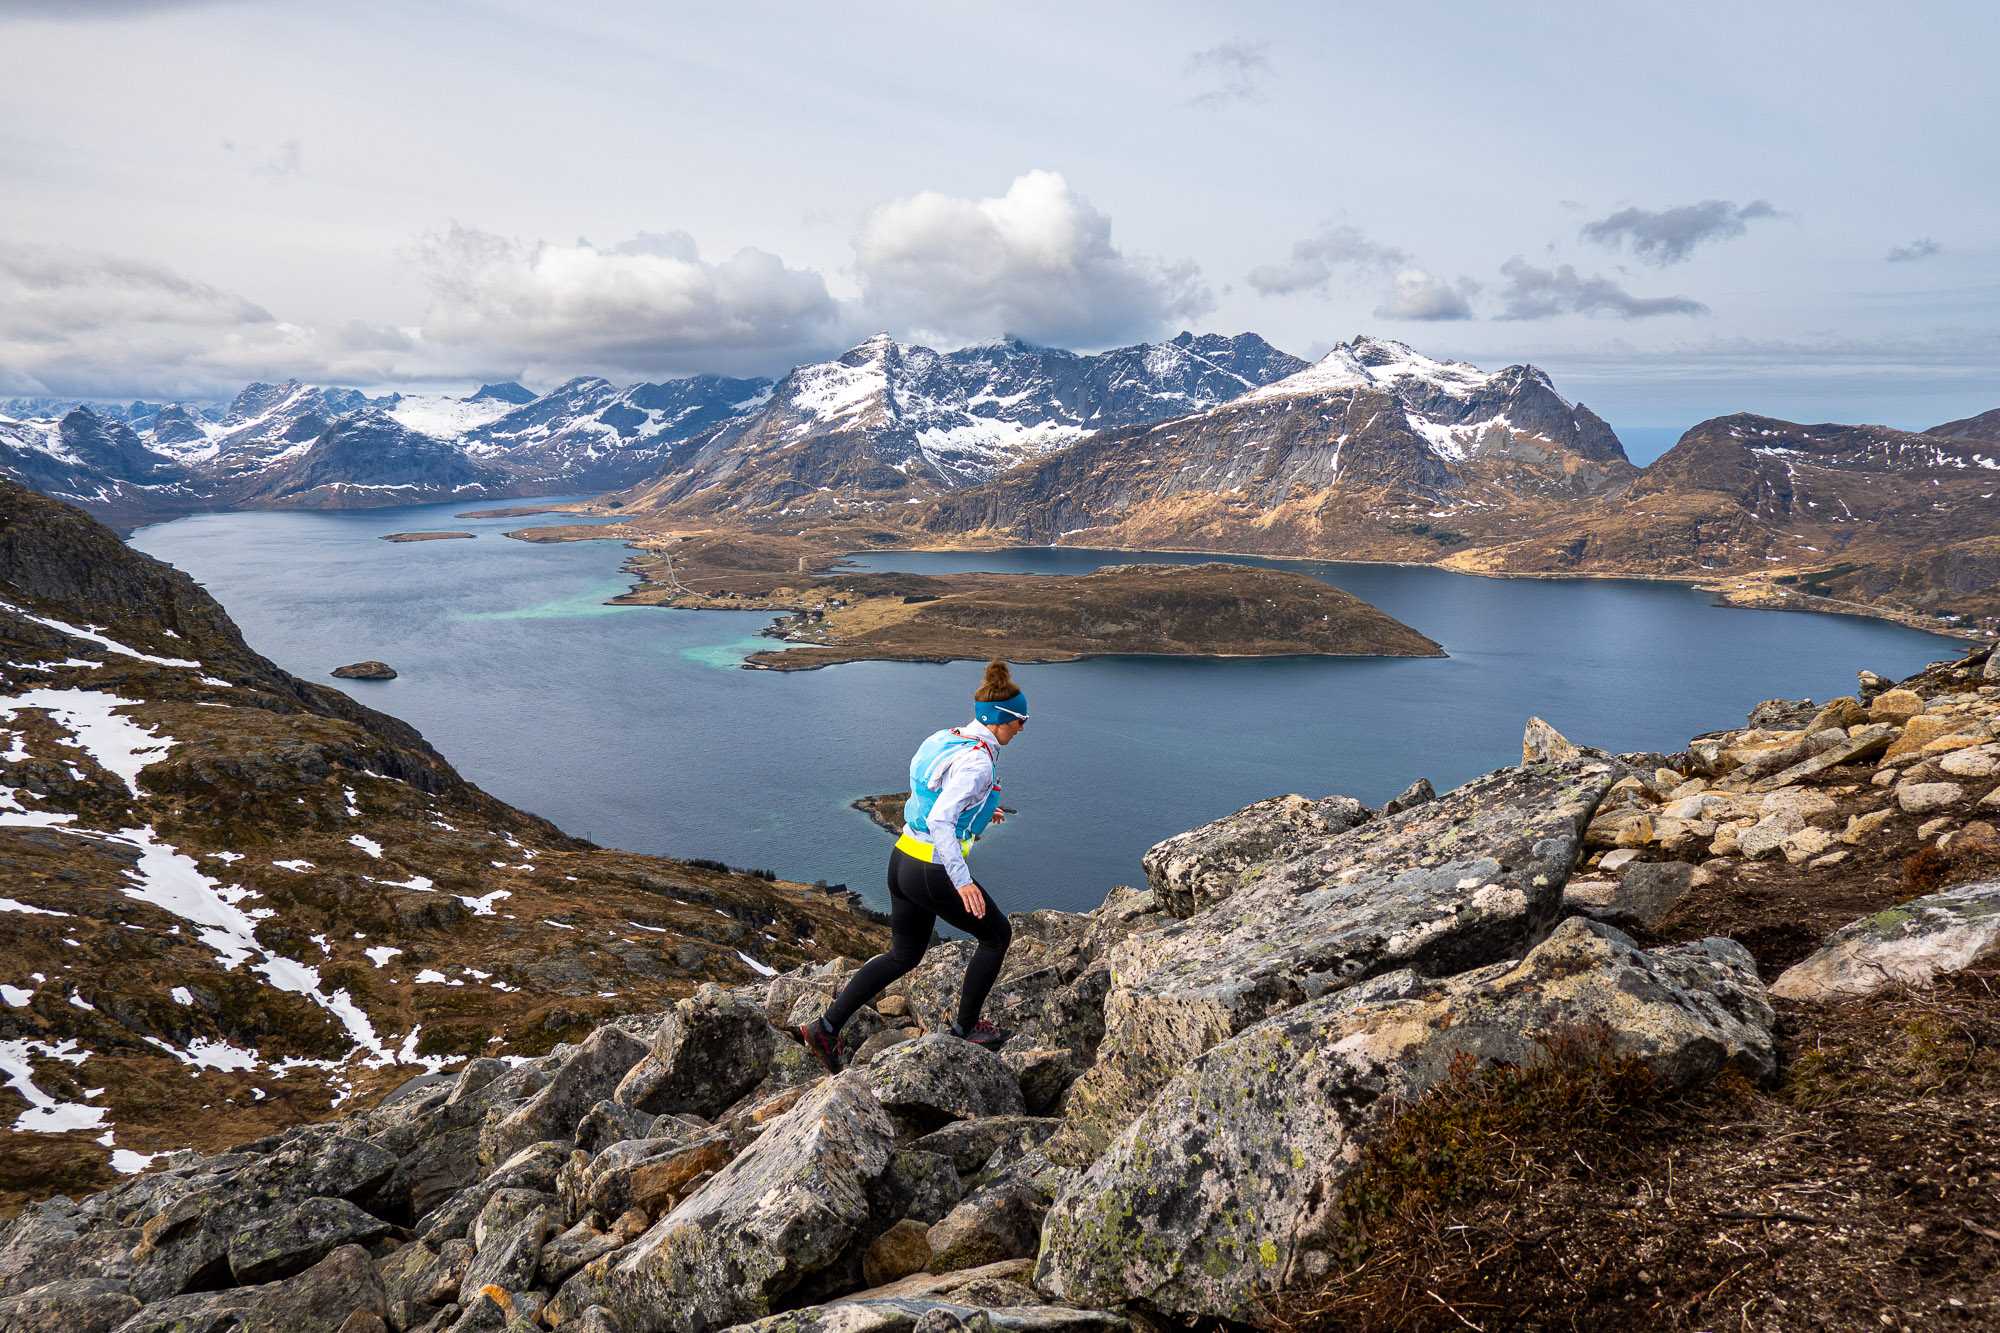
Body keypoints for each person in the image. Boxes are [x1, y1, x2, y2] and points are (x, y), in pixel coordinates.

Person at [798, 660, 1029, 1073]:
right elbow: (942, 819)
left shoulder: (946, 738)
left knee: (903, 955)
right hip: (934, 871)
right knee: (997, 936)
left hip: (903, 857)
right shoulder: (978, 763)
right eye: (1019, 721)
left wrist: (980, 811)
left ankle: (825, 1027)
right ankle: (966, 1028)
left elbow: (926, 787)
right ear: (998, 721)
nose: (1022, 729)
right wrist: (962, 882)